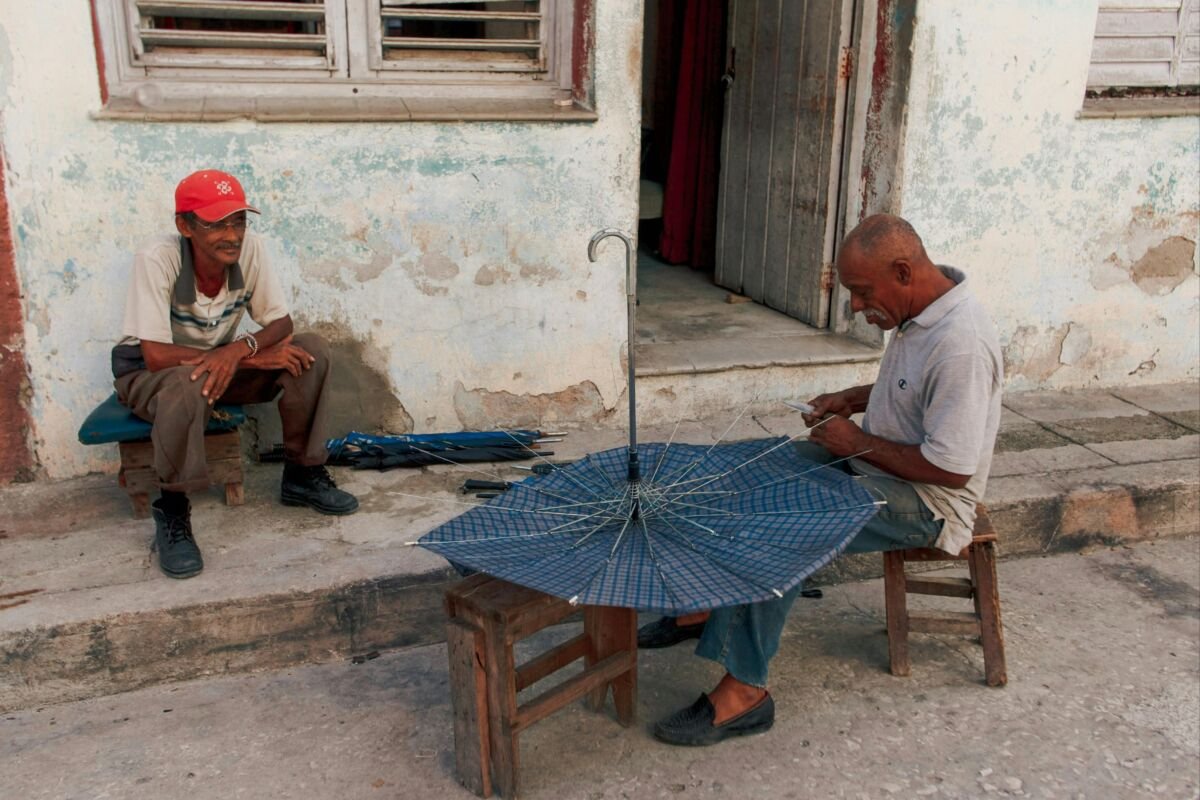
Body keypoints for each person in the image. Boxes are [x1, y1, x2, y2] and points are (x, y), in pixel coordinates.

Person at [642, 214, 1004, 746]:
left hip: (928, 501)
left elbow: (951, 468)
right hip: (876, 464)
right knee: (743, 472)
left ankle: (745, 693)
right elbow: (911, 387)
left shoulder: (962, 344)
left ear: (903, 272)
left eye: (862, 292)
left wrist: (854, 443)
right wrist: (851, 400)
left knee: (782, 525)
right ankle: (709, 606)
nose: (855, 306)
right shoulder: (920, 308)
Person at [112, 169, 358, 580]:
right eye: (216, 224)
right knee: (186, 383)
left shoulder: (250, 250)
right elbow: (155, 356)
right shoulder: (158, 258)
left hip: (220, 366)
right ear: (185, 226)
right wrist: (244, 358)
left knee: (310, 350)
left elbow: (281, 323)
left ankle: (302, 474)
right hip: (152, 374)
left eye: (239, 221)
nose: (232, 235)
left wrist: (239, 351)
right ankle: (173, 511)